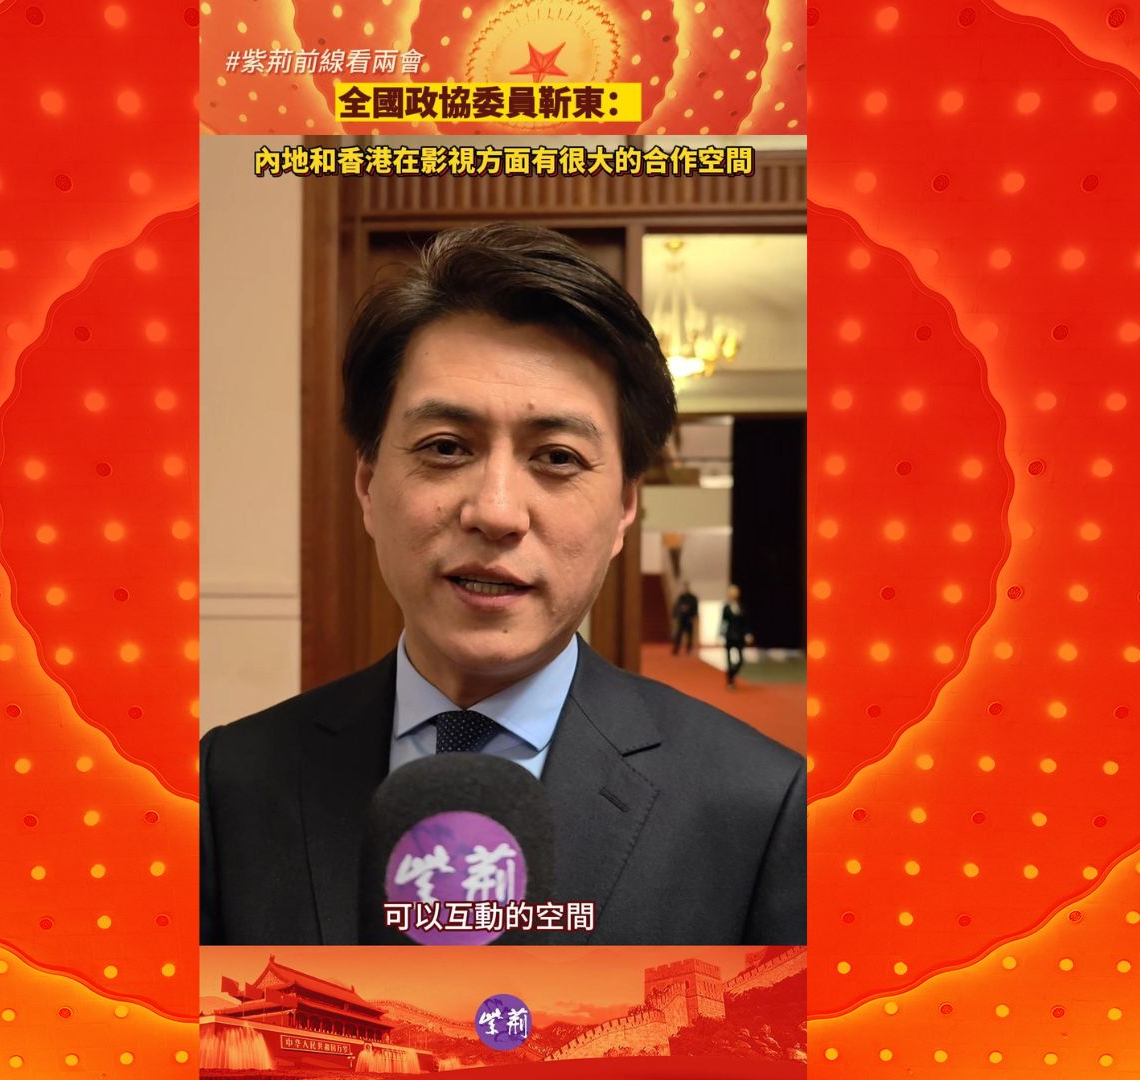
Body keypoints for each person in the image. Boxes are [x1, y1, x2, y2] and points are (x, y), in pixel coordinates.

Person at [199, 222, 804, 946]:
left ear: (624, 509)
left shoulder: (759, 804)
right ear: (367, 485)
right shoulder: (231, 782)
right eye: (446, 447)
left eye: (557, 457)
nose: (495, 512)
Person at [719, 584, 753, 689]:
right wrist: (721, 634)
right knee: (729, 659)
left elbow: (745, 622)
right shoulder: (726, 608)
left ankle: (732, 674)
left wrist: (748, 634)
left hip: (739, 636)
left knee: (741, 660)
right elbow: (723, 622)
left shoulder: (741, 607)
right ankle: (730, 681)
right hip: (729, 636)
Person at [670, 584, 700, 655]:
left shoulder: (693, 598)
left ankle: (689, 649)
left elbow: (695, 608)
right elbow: (676, 607)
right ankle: (676, 649)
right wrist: (675, 616)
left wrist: (693, 617)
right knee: (679, 634)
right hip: (681, 619)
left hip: (689, 619)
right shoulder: (681, 597)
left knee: (690, 635)